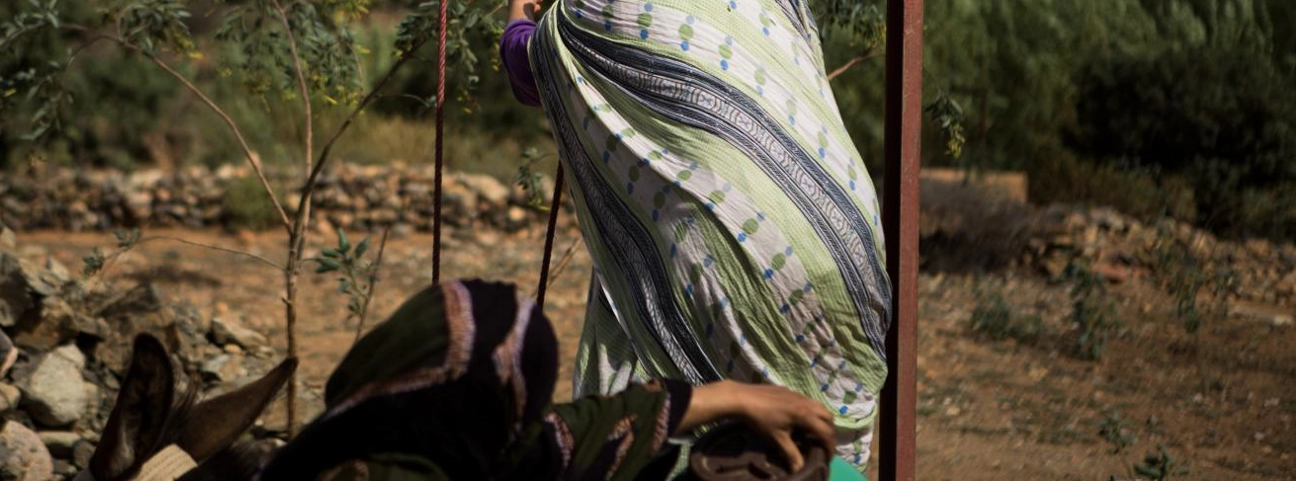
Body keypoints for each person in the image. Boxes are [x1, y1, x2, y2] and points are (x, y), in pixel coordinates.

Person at [501, 0, 890, 470]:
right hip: (848, 245)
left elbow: (528, 68)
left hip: (742, 264)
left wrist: (521, 16)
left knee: (721, 440)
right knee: (809, 450)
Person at [81, 279, 839, 481]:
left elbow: (565, 435)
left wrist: (731, 396)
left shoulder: (340, 448)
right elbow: (563, 438)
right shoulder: (479, 456)